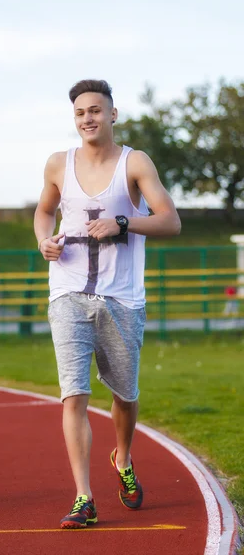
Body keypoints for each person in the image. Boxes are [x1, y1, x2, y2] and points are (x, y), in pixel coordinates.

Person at [34, 79, 181, 529]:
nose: (88, 119)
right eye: (80, 113)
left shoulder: (134, 162)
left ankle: (123, 456)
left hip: (121, 298)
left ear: (112, 115)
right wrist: (45, 242)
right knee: (73, 394)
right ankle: (84, 497)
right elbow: (43, 212)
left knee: (125, 395)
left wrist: (122, 223)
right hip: (68, 293)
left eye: (95, 110)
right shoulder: (58, 164)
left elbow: (170, 221)